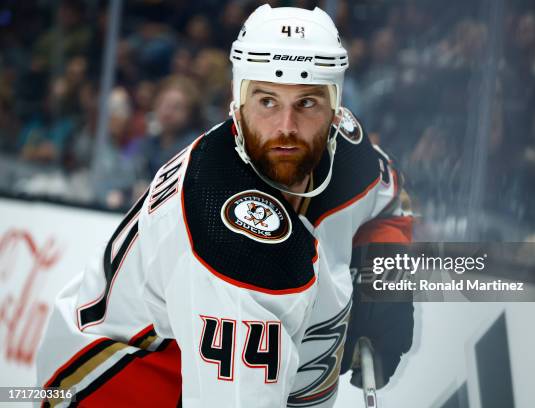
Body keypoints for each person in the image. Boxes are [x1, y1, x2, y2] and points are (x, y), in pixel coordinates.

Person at [37, 5, 414, 407]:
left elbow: (389, 203)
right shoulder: (228, 244)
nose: (286, 126)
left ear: (336, 110)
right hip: (114, 383)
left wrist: (387, 286)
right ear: (237, 103)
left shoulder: (351, 154)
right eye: (267, 100)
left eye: (307, 103)